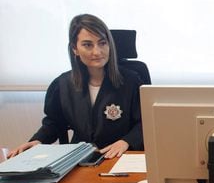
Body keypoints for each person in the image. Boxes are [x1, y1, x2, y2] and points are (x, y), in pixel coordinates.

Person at [8, 14, 144, 159]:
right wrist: (38, 140)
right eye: (87, 45)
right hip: (80, 159)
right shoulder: (62, 85)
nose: (97, 52)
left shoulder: (131, 81)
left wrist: (126, 141)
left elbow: (146, 121)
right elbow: (54, 122)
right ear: (75, 49)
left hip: (120, 156)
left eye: (102, 43)